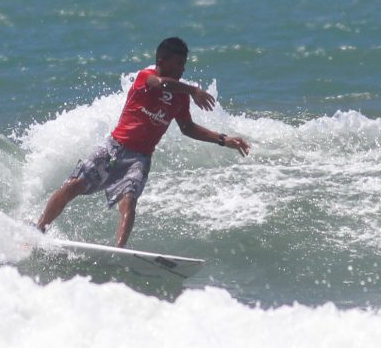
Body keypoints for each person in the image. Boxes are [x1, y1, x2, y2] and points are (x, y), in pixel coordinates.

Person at [36, 37, 250, 247]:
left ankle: (119, 251)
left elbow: (187, 128)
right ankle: (39, 229)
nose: (182, 70)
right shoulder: (145, 78)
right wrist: (194, 90)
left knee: (129, 200)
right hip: (114, 148)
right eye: (178, 64)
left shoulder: (180, 97)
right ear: (161, 62)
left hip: (140, 158)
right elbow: (161, 83)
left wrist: (223, 139)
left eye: (184, 65)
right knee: (74, 185)